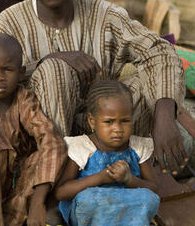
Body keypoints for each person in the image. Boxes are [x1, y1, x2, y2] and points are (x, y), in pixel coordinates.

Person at [0, 0, 187, 174]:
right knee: (55, 71)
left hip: (104, 130)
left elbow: (159, 50)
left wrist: (165, 116)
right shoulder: (9, 24)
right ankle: (56, 178)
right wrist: (51, 61)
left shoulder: (104, 16)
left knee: (147, 82)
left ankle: (126, 165)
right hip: (43, 139)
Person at [0, 34, 67, 226]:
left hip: (20, 185)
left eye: (8, 70)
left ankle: (21, 217)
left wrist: (38, 201)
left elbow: (52, 141)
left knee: (46, 153)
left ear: (20, 73)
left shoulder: (24, 100)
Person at [54, 80, 159, 226]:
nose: (118, 129)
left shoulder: (138, 147)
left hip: (128, 209)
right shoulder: (82, 147)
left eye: (125, 121)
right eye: (109, 122)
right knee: (88, 199)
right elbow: (61, 192)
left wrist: (129, 180)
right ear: (92, 121)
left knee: (149, 198)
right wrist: (100, 178)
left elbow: (154, 189)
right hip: (91, 214)